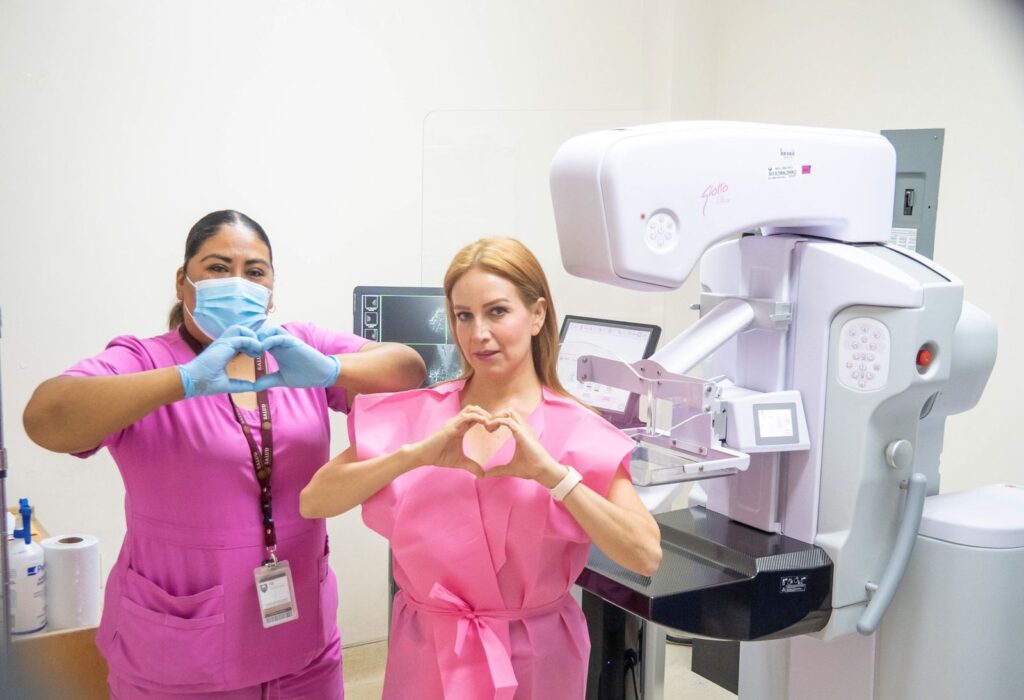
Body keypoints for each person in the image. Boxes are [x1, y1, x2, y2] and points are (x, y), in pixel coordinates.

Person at [22, 210, 426, 699]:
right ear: (183, 281)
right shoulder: (144, 361)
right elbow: (45, 418)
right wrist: (183, 381)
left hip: (303, 643)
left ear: (271, 291)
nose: (237, 283)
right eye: (217, 267)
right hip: (179, 653)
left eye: (254, 272)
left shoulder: (297, 348)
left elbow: (409, 370)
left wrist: (330, 369)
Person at [300, 237, 663, 699]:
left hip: (537, 657)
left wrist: (554, 476)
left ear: (537, 315)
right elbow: (314, 501)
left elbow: (644, 555)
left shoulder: (578, 430)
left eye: (497, 312)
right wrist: (415, 455)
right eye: (464, 315)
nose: (478, 334)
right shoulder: (418, 415)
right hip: (429, 653)